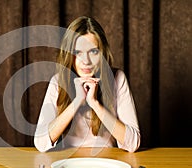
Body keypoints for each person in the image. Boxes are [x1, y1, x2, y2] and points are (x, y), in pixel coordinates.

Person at [34, 16, 140, 153]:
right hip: (68, 162)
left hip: (108, 162)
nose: (86, 61)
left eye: (93, 51)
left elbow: (133, 143)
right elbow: (41, 143)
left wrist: (94, 103)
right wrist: (78, 100)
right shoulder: (58, 81)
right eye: (78, 53)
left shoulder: (117, 78)